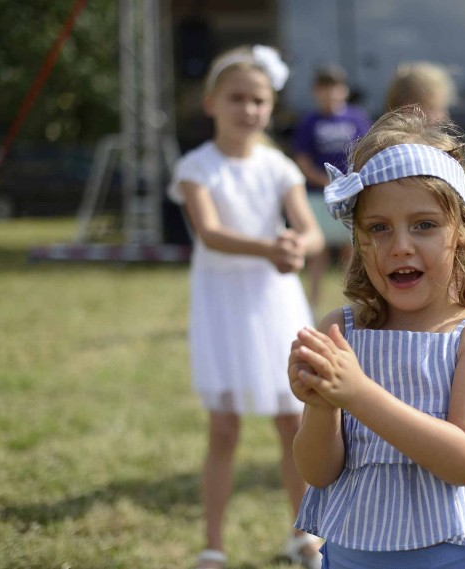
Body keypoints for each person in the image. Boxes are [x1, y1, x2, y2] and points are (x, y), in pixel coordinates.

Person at [288, 109, 465, 568]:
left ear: (464, 231)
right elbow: (317, 471)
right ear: (358, 238)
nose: (400, 246)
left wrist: (357, 393)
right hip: (346, 556)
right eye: (379, 228)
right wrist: (321, 404)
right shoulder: (341, 330)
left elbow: (464, 460)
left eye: (424, 225)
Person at [167, 45, 325, 569]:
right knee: (224, 426)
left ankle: (303, 533)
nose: (249, 109)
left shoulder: (278, 165)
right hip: (225, 303)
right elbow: (210, 233)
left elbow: (309, 229)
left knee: (292, 421)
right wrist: (269, 248)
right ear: (212, 102)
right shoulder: (196, 167)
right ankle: (213, 544)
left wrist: (297, 245)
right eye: (237, 98)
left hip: (275, 300)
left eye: (259, 100)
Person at [293, 64, 372, 311]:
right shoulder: (310, 122)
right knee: (318, 251)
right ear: (316, 91)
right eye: (325, 88)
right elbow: (302, 159)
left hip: (350, 194)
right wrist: (324, 180)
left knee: (351, 250)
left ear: (344, 90)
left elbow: (366, 150)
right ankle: (312, 304)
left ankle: (355, 303)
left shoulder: (357, 118)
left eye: (336, 87)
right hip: (319, 196)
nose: (331, 94)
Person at [385, 61, 456, 124]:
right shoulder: (384, 138)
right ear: (407, 106)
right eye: (432, 108)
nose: (442, 116)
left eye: (441, 108)